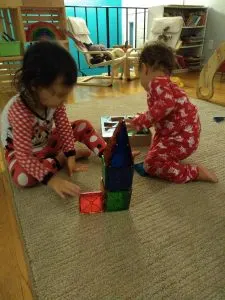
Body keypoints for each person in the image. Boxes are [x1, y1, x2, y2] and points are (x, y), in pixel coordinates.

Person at [1, 41, 107, 198]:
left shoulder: (53, 101)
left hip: (47, 141)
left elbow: (64, 126)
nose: (62, 101)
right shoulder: (20, 111)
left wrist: (70, 154)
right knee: (23, 178)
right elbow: (24, 156)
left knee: (82, 125)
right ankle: (59, 159)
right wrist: (52, 180)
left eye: (65, 95)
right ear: (34, 85)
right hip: (21, 152)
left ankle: (108, 153)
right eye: (58, 95)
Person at [126, 42, 218, 183]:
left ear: (144, 69)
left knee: (151, 164)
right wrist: (148, 115)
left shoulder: (156, 82)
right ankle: (167, 156)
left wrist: (141, 122)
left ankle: (194, 172)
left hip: (181, 138)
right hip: (182, 135)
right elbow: (163, 108)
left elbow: (166, 105)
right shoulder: (165, 83)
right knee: (155, 149)